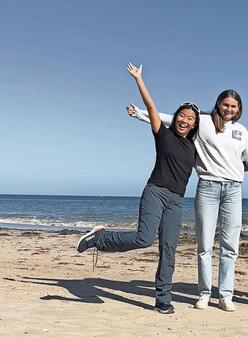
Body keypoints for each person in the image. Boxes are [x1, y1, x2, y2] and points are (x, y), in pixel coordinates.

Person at [76, 63, 199, 314]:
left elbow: (219, 162)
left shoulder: (195, 148)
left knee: (168, 249)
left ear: (194, 124)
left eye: (190, 118)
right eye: (181, 116)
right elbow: (152, 108)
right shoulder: (163, 134)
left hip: (177, 200)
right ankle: (99, 238)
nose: (184, 120)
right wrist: (139, 79)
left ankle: (163, 299)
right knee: (144, 238)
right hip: (156, 191)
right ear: (175, 118)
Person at [128, 90, 248, 312]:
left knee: (230, 245)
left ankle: (226, 295)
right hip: (208, 186)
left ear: (239, 109)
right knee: (205, 245)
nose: (229, 109)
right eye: (225, 104)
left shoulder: (241, 131)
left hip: (233, 190)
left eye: (234, 106)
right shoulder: (204, 122)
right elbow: (173, 119)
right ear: (218, 104)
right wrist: (140, 114)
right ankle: (204, 293)